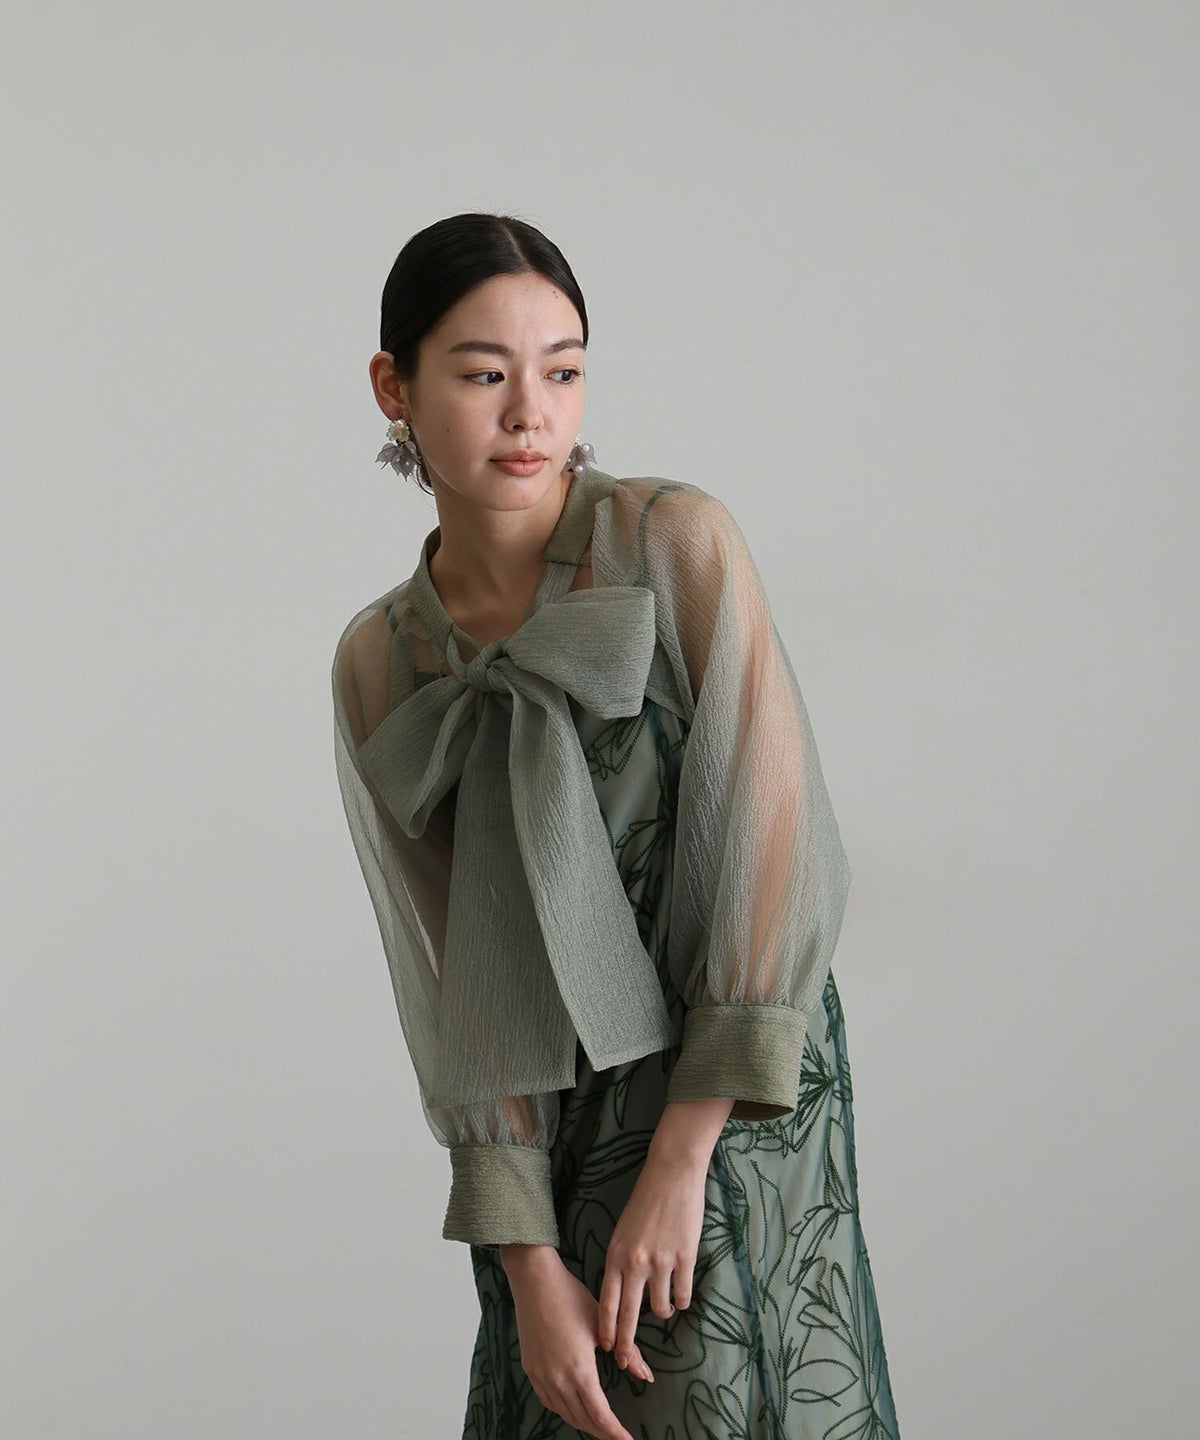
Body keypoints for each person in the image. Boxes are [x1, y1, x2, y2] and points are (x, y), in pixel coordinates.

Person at [331, 212, 901, 1440]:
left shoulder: (670, 544)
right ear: (394, 387)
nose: (529, 414)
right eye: (484, 375)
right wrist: (525, 1258)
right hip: (545, 1131)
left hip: (729, 1092)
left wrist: (681, 1160)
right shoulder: (382, 659)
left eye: (563, 371)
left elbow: (774, 850)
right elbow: (448, 977)